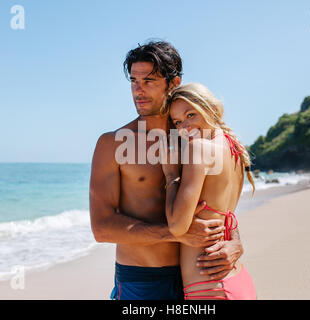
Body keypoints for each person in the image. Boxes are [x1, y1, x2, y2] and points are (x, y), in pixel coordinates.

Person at [89, 41, 245, 300]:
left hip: (199, 275)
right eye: (134, 81)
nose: (139, 90)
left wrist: (236, 242)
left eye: (149, 81)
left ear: (174, 83)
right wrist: (175, 233)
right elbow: (102, 228)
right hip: (142, 280)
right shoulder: (112, 144)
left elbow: (220, 200)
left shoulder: (194, 139)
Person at [160, 83, 257, 300]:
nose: (185, 127)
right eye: (177, 122)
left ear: (211, 109)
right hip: (236, 279)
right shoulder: (235, 150)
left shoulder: (199, 149)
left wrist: (170, 176)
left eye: (191, 114)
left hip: (208, 289)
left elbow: (177, 227)